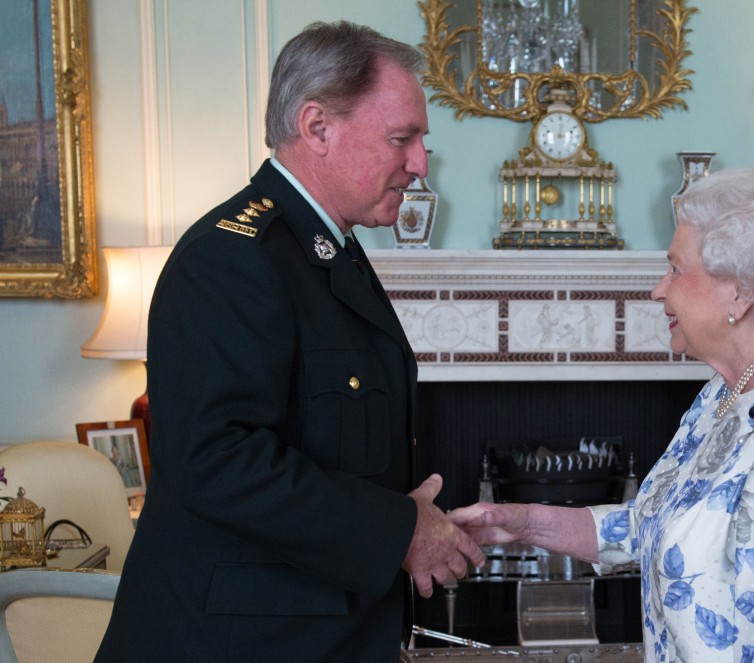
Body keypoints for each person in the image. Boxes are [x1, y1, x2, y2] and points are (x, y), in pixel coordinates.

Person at [95, 21, 483, 662]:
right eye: (401, 138)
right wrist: (398, 530)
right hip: (234, 641)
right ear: (317, 127)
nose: (419, 163)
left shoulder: (324, 247)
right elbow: (215, 459)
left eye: (421, 141)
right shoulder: (231, 257)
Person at [450, 169, 754, 661]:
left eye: (676, 269)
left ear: (740, 291)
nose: (659, 290)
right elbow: (651, 526)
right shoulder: (726, 391)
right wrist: (524, 521)